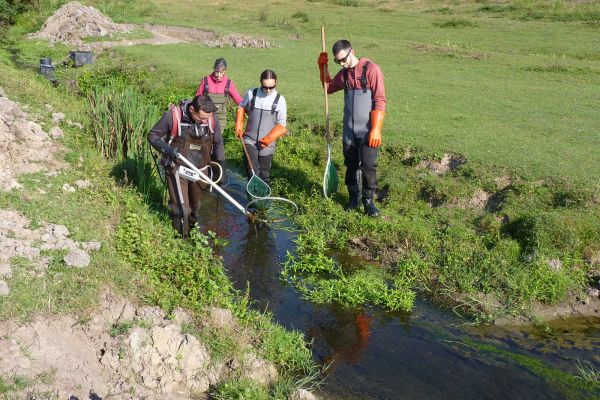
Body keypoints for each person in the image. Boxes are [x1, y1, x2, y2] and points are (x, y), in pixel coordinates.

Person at [317, 39, 386, 217]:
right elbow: (328, 88)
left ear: (352, 52)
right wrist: (322, 68)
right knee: (351, 165)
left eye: (344, 59)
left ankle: (368, 202)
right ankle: (353, 198)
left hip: (368, 130)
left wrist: (376, 129)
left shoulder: (371, 69)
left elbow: (380, 100)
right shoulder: (344, 74)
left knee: (369, 166)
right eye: (338, 61)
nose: (342, 63)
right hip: (349, 131)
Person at [148, 95, 224, 237]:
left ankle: (191, 233)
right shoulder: (172, 117)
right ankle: (181, 240)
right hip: (177, 167)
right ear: (191, 109)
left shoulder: (211, 119)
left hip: (201, 170)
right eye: (201, 118)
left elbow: (218, 143)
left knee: (195, 207)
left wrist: (221, 166)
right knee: (181, 209)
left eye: (207, 118)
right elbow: (152, 136)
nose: (205, 121)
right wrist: (167, 149)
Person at [235, 69, 287, 186]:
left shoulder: (280, 100)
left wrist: (270, 138)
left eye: (271, 87)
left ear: (276, 83)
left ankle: (264, 201)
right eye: (265, 87)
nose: (268, 90)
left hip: (267, 144)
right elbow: (241, 107)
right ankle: (252, 201)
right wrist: (239, 125)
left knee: (264, 174)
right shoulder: (251, 94)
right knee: (252, 171)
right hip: (249, 140)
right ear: (260, 82)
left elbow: (282, 123)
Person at [195, 58, 243, 184]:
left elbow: (238, 99)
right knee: (205, 143)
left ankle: (219, 174)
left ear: (225, 71)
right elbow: (197, 97)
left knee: (216, 143)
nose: (218, 75)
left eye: (221, 72)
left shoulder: (228, 83)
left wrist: (247, 109)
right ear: (214, 69)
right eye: (217, 71)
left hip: (220, 120)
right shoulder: (205, 81)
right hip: (205, 117)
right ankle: (205, 171)